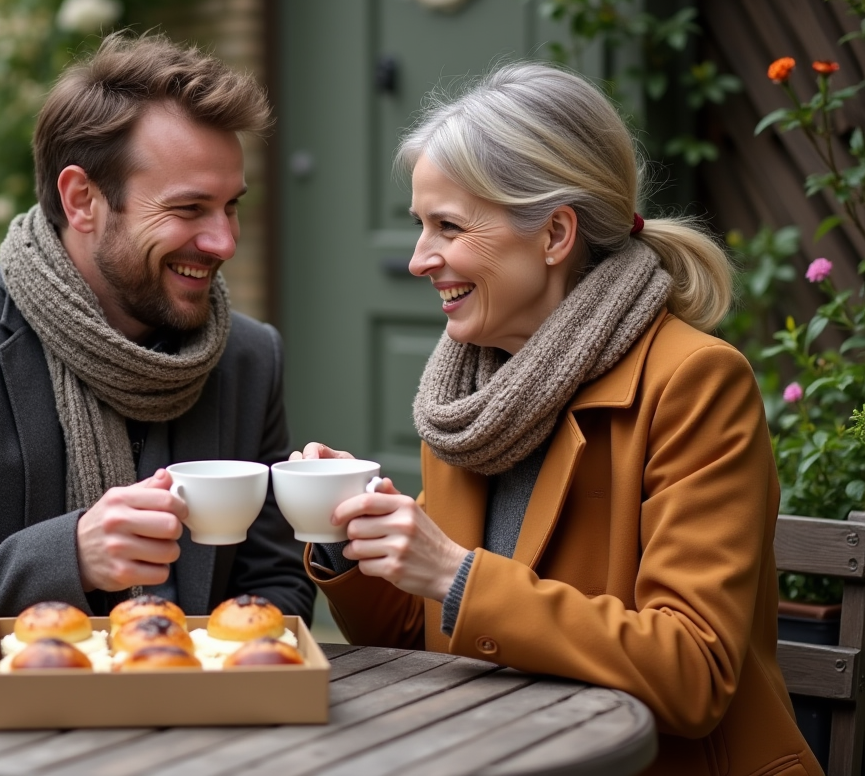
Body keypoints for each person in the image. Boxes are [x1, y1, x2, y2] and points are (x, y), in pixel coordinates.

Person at [0, 33, 314, 774]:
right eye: (190, 208)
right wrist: (72, 554)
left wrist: (328, 530)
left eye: (232, 206)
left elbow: (277, 591)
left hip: (186, 745)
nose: (224, 239)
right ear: (82, 200)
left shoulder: (248, 357)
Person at [297, 62, 821, 776]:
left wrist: (455, 575)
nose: (420, 259)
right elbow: (424, 638)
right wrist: (349, 541)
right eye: (420, 226)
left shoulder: (693, 383)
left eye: (447, 226)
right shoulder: (471, 399)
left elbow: (691, 673)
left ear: (554, 236)